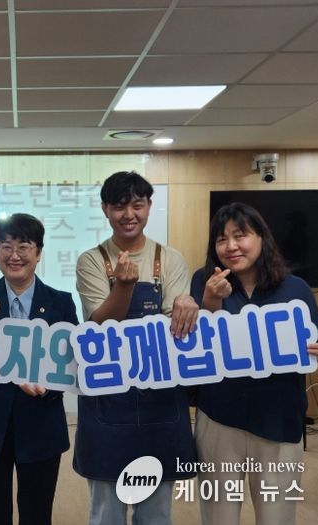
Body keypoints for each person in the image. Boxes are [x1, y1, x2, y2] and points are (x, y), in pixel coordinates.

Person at [74, 170, 199, 525]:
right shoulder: (91, 260)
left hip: (160, 401)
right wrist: (124, 288)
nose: (129, 214)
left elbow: (175, 329)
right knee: (106, 514)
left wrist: (189, 303)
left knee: (156, 514)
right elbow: (100, 327)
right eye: (119, 206)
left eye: (137, 205)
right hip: (108, 402)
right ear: (105, 209)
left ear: (148, 206)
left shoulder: (169, 259)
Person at [191, 202, 318, 525]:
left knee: (277, 516)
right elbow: (194, 345)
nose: (231, 246)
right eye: (221, 239)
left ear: (262, 237)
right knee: (218, 516)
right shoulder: (204, 281)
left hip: (278, 420)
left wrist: (316, 348)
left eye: (240, 235)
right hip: (219, 417)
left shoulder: (295, 288)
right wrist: (210, 301)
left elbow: (315, 339)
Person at [0, 213, 79, 525]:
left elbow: (71, 360)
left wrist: (49, 386)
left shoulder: (61, 302)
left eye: (23, 246)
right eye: (6, 246)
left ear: (39, 252)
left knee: (37, 514)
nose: (14, 256)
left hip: (41, 422)